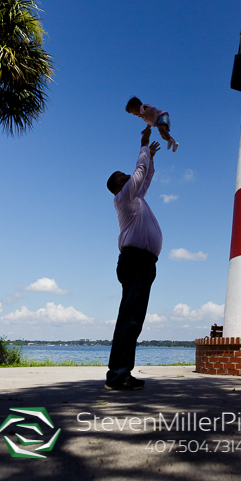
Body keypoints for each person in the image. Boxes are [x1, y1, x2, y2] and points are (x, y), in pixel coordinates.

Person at [105, 126, 162, 391]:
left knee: (131, 317)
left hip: (142, 263)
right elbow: (139, 175)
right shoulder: (124, 196)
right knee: (130, 318)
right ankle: (118, 374)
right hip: (136, 262)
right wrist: (143, 145)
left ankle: (118, 372)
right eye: (124, 176)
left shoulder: (135, 196)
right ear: (119, 184)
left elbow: (145, 178)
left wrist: (149, 157)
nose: (129, 177)